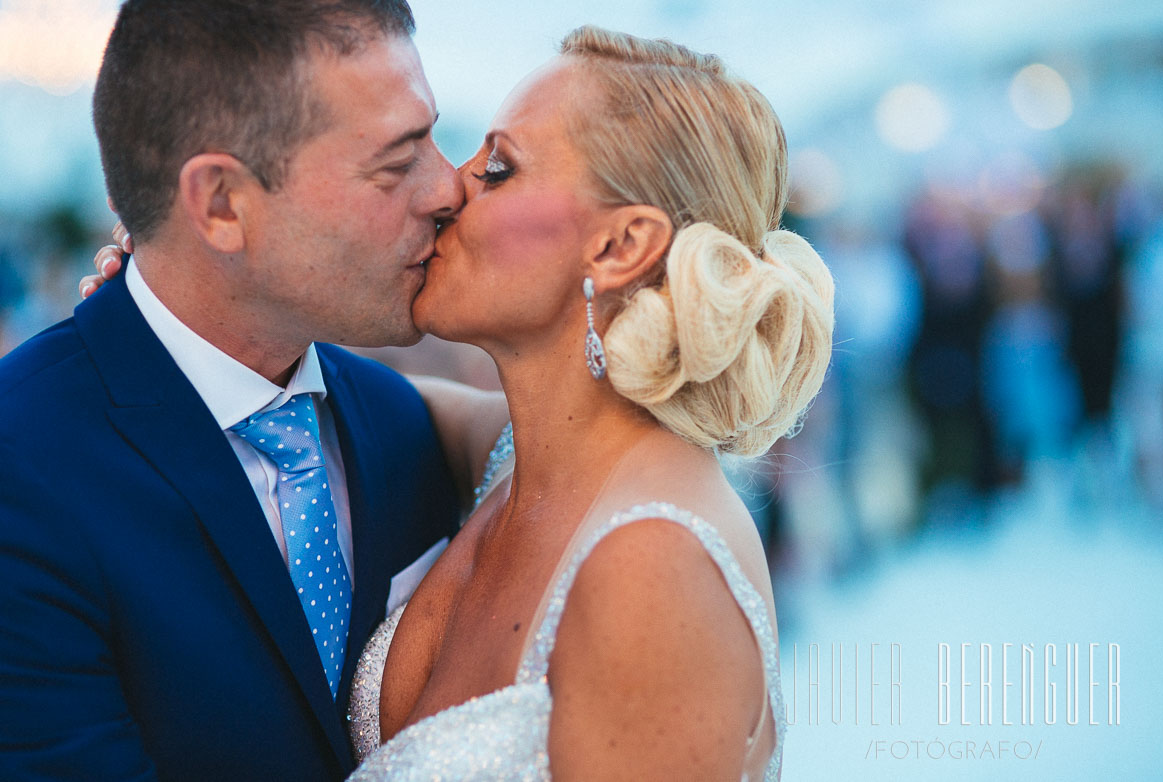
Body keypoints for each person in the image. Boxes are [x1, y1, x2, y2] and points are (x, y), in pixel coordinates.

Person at [82, 24, 834, 782]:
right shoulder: (510, 456)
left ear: (617, 247)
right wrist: (186, 289)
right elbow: (317, 400)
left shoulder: (653, 562)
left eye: (498, 167)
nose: (447, 189)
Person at [0, 2, 506, 780]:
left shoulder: (399, 425)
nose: (447, 189)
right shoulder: (23, 468)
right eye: (396, 161)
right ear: (222, 204)